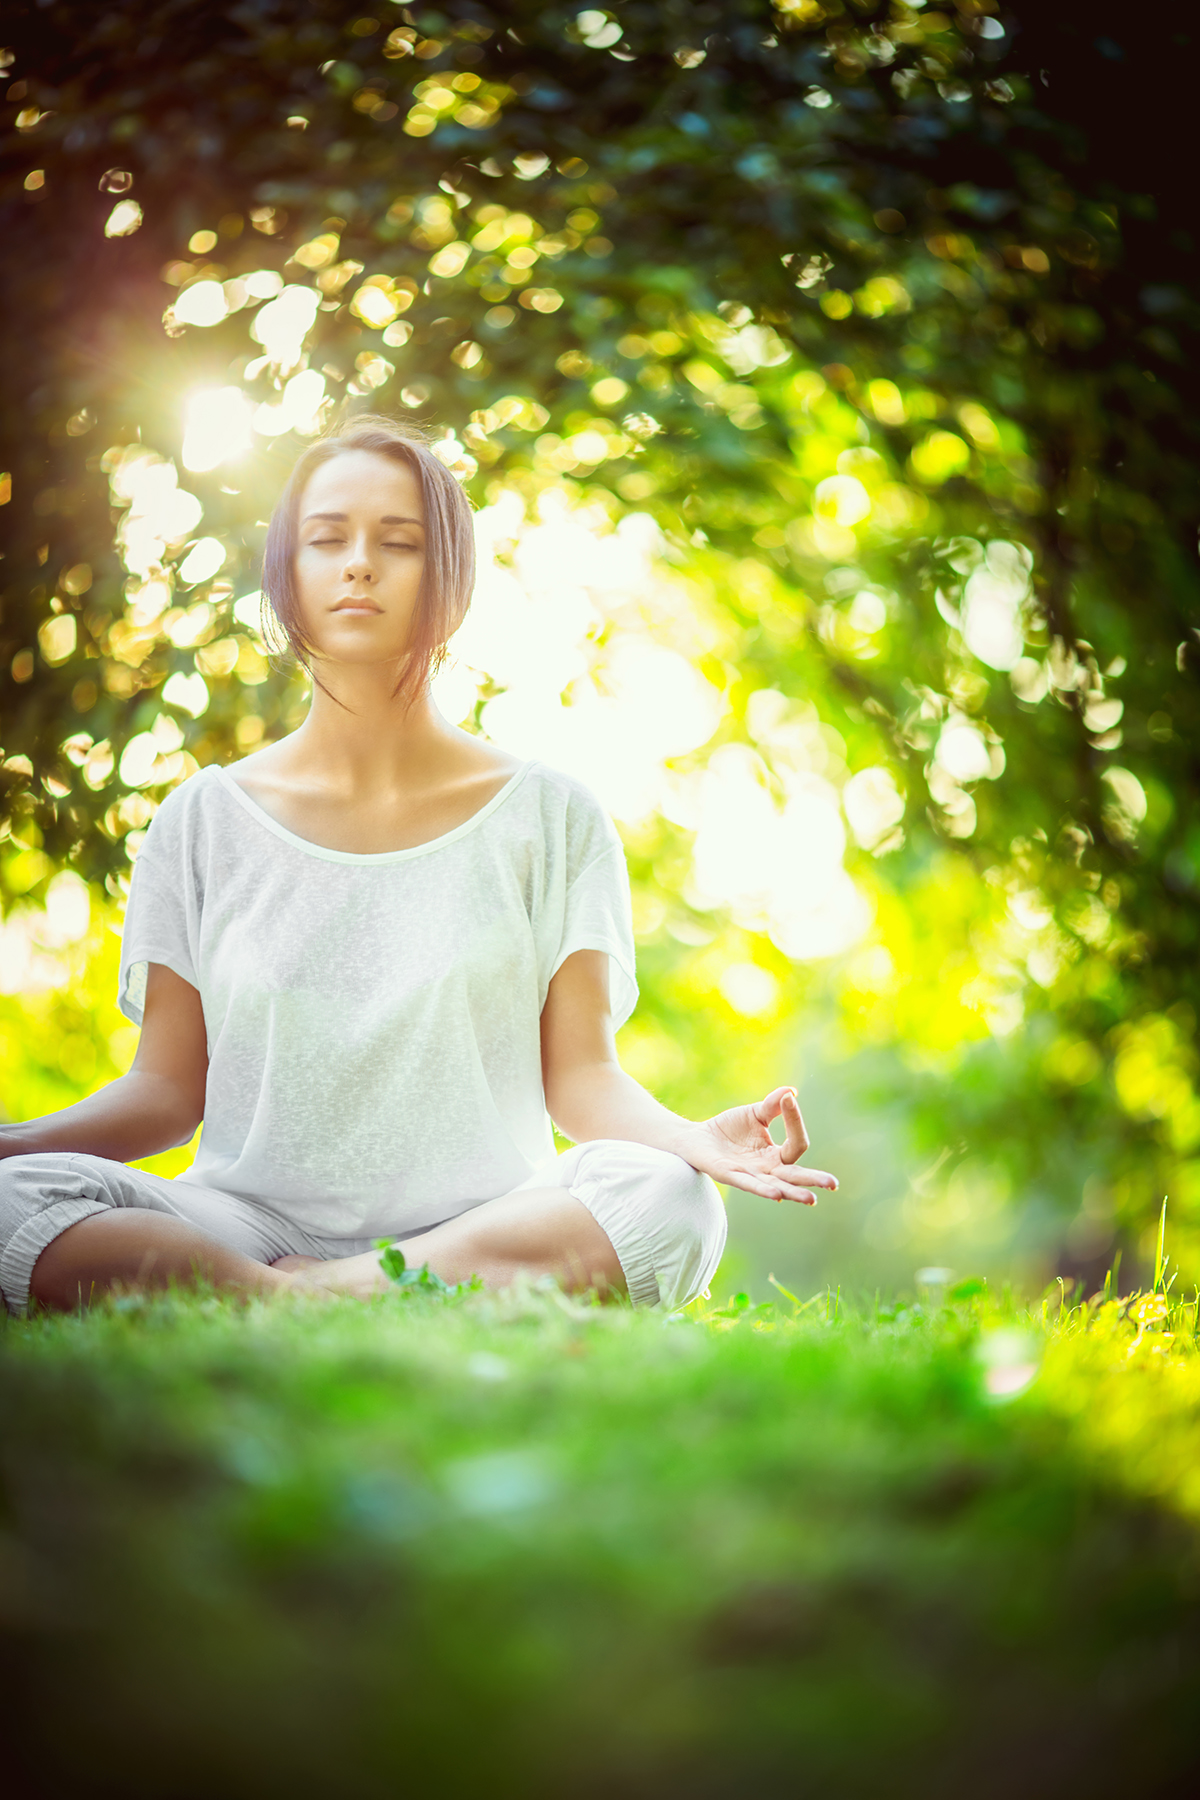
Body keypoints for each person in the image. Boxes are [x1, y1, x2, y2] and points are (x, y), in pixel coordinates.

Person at [0, 415, 836, 1318]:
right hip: (244, 1221)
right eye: (328, 539)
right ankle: (316, 1295)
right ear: (288, 570)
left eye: (398, 543)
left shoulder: (551, 817)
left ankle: (304, 1301)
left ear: (449, 579)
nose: (358, 563)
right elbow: (164, 1092)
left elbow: (582, 1081)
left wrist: (691, 1141)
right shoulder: (202, 821)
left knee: (671, 1199)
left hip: (488, 1222)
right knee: (18, 1197)